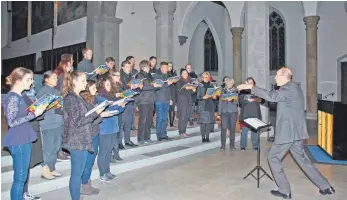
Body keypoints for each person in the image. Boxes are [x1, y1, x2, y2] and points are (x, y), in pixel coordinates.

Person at [237, 67, 335, 199]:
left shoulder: (287, 88)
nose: (275, 78)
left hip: (288, 133)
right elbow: (279, 102)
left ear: (284, 76)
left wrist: (251, 87)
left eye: (277, 76)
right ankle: (326, 187)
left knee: (273, 158)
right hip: (297, 133)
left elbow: (272, 96)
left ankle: (284, 190)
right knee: (303, 160)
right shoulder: (295, 88)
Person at [62, 71, 110, 200]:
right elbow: (79, 121)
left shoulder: (78, 97)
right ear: (74, 82)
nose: (85, 83)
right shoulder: (71, 98)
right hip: (76, 140)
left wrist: (95, 112)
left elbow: (84, 117)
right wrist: (97, 112)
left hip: (82, 139)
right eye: (83, 81)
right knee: (76, 174)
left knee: (79, 171)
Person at [3, 67, 46, 200]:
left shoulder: (20, 96)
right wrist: (34, 114)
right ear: (18, 80)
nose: (32, 82)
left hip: (23, 137)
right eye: (28, 79)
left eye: (32, 79)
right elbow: (12, 122)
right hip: (18, 139)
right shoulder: (13, 97)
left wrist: (38, 108)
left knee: (23, 175)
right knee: (20, 178)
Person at [97, 77, 126, 181]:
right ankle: (102, 174)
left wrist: (122, 105)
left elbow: (116, 111)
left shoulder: (111, 96)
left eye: (110, 84)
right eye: (107, 84)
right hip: (104, 128)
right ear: (102, 85)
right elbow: (108, 109)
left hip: (113, 127)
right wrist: (119, 105)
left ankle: (107, 171)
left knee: (109, 151)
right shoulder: (100, 97)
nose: (109, 86)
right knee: (103, 152)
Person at [37, 71, 63, 180]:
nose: (56, 79)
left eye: (56, 78)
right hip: (48, 123)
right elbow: (39, 108)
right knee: (48, 148)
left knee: (56, 147)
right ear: (46, 79)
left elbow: (61, 107)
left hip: (58, 122)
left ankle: (52, 168)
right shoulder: (42, 92)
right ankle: (46, 170)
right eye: (53, 78)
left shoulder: (57, 91)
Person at [80, 80, 104, 195]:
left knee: (91, 160)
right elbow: (89, 121)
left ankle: (87, 182)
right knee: (88, 161)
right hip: (89, 134)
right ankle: (84, 184)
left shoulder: (92, 100)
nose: (96, 89)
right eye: (94, 88)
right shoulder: (84, 102)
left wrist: (100, 114)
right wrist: (100, 115)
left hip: (94, 133)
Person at [22, 86, 43, 200]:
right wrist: (36, 112)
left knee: (27, 166)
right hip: (24, 135)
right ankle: (22, 193)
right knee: (23, 167)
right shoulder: (20, 97)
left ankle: (25, 192)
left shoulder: (30, 96)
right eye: (29, 80)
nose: (33, 84)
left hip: (32, 131)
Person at [135, 60, 162, 144]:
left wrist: (158, 86)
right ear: (143, 67)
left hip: (151, 99)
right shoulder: (139, 75)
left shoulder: (150, 75)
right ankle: (140, 138)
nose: (150, 67)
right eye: (148, 66)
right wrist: (153, 86)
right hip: (143, 99)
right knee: (142, 120)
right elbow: (143, 87)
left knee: (149, 120)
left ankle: (147, 137)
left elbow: (152, 85)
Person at [153, 62, 174, 141]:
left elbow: (169, 90)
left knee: (165, 118)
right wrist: (167, 84)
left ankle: (164, 134)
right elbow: (157, 87)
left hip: (166, 100)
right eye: (165, 67)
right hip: (159, 99)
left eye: (167, 67)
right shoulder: (156, 76)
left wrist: (170, 99)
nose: (167, 69)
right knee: (160, 118)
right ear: (161, 68)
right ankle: (159, 135)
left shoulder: (168, 76)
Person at [238, 77, 262, 151]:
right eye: (248, 82)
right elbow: (240, 102)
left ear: (254, 83)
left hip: (255, 113)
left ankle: (255, 145)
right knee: (244, 131)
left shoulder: (257, 91)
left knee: (254, 131)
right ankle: (243, 146)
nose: (250, 83)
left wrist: (255, 99)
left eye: (251, 82)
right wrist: (247, 99)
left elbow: (261, 100)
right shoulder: (242, 91)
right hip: (245, 114)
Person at [217, 78, 238, 150]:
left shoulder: (236, 91)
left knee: (232, 129)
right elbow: (220, 102)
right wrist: (219, 113)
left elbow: (237, 102)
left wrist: (231, 100)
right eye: (228, 83)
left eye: (231, 83)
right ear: (226, 84)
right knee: (223, 128)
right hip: (224, 112)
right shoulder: (222, 91)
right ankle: (223, 145)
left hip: (233, 112)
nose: (229, 85)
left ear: (233, 84)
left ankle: (232, 145)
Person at [196, 72, 216, 143]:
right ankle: (203, 138)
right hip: (202, 106)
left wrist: (214, 96)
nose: (206, 79)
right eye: (205, 77)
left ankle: (207, 137)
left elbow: (214, 97)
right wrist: (203, 97)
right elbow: (197, 97)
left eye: (208, 77)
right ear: (202, 78)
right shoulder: (200, 85)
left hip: (209, 105)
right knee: (203, 123)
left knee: (208, 123)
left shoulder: (211, 85)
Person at [176, 69, 195, 138]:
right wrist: (186, 88)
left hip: (188, 101)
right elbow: (179, 91)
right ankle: (181, 132)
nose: (185, 74)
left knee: (186, 117)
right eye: (183, 73)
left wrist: (193, 90)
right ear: (181, 74)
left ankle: (184, 131)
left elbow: (190, 92)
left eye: (186, 73)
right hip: (182, 101)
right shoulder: (179, 82)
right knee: (182, 117)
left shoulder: (189, 81)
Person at [168, 62, 177, 127]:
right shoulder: (165, 74)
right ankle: (165, 122)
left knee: (172, 109)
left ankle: (171, 123)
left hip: (173, 92)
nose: (170, 67)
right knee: (167, 109)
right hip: (167, 92)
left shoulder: (173, 74)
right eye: (169, 66)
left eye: (171, 66)